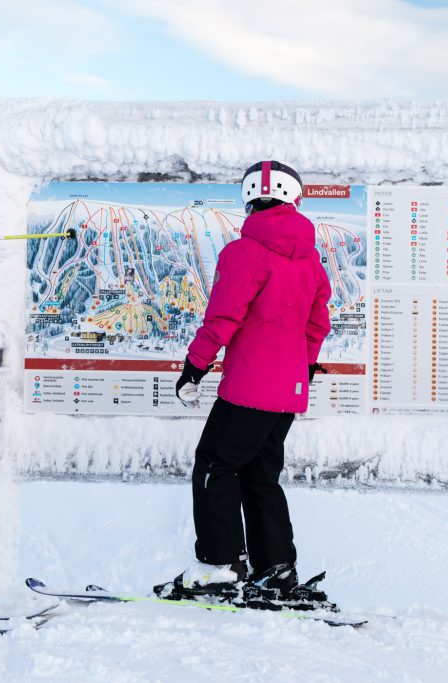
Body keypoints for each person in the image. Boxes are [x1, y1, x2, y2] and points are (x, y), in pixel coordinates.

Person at [158, 160, 331, 601]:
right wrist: (301, 367)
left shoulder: (243, 253)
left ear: (250, 199)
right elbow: (317, 326)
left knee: (215, 467)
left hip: (249, 388)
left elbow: (223, 319)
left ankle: (219, 567)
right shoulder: (311, 261)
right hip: (287, 393)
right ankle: (275, 568)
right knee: (260, 475)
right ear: (294, 198)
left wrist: (194, 367)